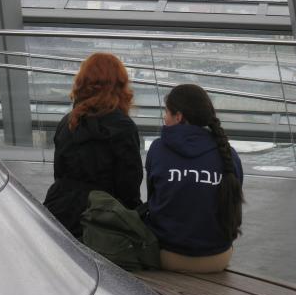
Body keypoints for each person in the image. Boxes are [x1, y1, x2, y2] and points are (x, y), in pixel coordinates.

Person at [145, 84, 244, 273]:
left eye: (166, 112)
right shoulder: (228, 155)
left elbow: (153, 199)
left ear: (179, 116)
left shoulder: (158, 149)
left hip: (167, 256)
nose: (164, 118)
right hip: (217, 258)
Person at [44, 52, 143, 238]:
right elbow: (129, 186)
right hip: (102, 222)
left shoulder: (67, 123)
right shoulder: (123, 127)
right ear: (119, 86)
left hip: (59, 215)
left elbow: (60, 174)